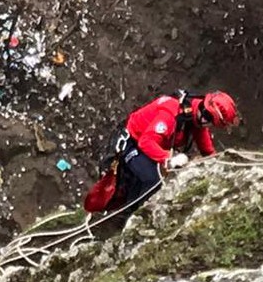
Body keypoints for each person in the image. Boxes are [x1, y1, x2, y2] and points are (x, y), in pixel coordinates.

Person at [95, 90, 238, 220]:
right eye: (211, 122)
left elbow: (207, 151)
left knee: (148, 179)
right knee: (153, 179)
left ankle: (128, 213)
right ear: (206, 113)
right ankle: (132, 217)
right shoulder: (170, 114)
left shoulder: (195, 118)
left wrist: (221, 163)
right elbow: (146, 142)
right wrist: (168, 159)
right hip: (131, 143)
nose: (209, 126)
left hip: (145, 145)